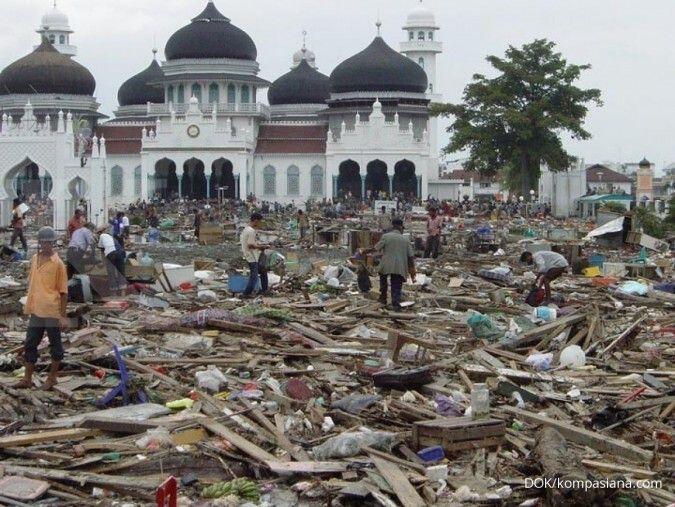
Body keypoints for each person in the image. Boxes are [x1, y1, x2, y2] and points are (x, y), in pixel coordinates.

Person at [16, 227, 68, 390]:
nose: (46, 245)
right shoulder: (34, 259)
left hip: (51, 311)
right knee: (31, 343)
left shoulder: (58, 264)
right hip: (36, 310)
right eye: (43, 242)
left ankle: (52, 377)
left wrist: (62, 316)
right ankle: (27, 379)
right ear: (40, 243)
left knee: (55, 345)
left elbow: (63, 292)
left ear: (53, 243)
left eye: (49, 242)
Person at [373, 218, 416, 310]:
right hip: (399, 267)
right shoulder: (405, 240)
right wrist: (412, 271)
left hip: (386, 264)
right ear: (401, 228)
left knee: (383, 278)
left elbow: (376, 248)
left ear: (393, 226)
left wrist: (365, 251)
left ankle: (383, 297)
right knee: (396, 284)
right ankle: (395, 303)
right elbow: (410, 257)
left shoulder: (386, 236)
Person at [240, 212, 269, 298]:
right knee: (254, 276)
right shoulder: (251, 231)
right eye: (259, 222)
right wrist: (262, 247)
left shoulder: (246, 229)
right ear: (256, 221)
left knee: (263, 271)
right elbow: (250, 245)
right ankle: (246, 293)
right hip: (252, 255)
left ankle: (264, 290)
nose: (260, 224)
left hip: (250, 254)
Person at [98, 229, 126, 295]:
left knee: (111, 273)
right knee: (121, 272)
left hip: (110, 254)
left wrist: (103, 262)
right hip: (120, 252)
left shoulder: (101, 236)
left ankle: (114, 293)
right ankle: (123, 292)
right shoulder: (112, 237)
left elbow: (102, 251)